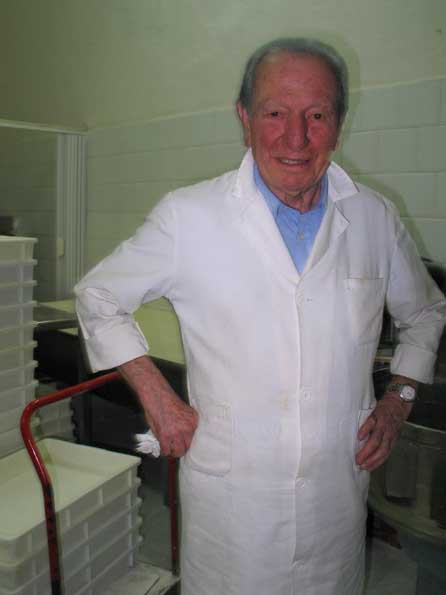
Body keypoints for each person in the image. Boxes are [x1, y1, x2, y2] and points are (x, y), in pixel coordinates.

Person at [75, 38, 446, 595]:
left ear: (338, 125)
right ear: (244, 118)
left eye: (316, 115)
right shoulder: (189, 216)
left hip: (334, 508)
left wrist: (398, 401)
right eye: (275, 113)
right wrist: (158, 397)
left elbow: (426, 313)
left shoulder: (374, 217)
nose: (296, 138)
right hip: (232, 516)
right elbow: (98, 296)